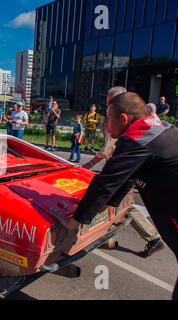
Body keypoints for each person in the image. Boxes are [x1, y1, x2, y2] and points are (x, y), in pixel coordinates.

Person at [59, 92, 178, 300]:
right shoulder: (159, 129)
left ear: (123, 119)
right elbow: (130, 177)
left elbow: (105, 183)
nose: (105, 124)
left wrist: (75, 221)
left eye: (108, 118)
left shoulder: (135, 139)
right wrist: (104, 208)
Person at [82, 87, 165, 258]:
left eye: (109, 103)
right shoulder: (148, 123)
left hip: (119, 172)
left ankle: (151, 238)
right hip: (124, 172)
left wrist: (87, 165)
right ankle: (152, 239)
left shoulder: (126, 129)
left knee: (120, 205)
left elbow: (106, 152)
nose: (107, 107)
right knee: (121, 203)